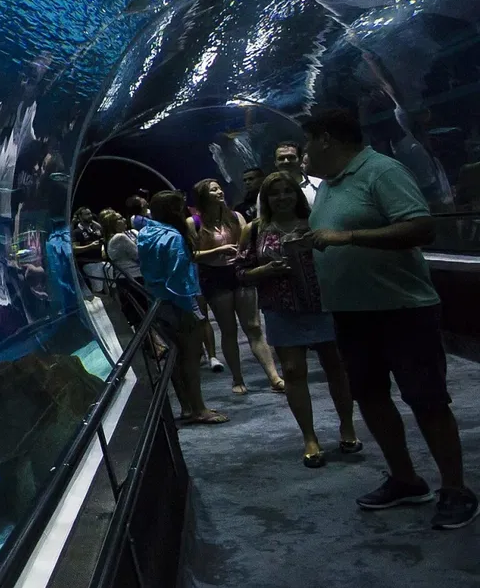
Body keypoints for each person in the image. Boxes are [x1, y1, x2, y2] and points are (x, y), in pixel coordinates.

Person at [301, 107, 476, 529]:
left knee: (427, 399)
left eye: (307, 141)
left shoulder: (381, 171)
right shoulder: (327, 186)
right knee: (371, 396)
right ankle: (405, 479)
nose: (304, 151)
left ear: (326, 138)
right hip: (352, 313)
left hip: (401, 309)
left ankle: (456, 489)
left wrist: (347, 237)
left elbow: (420, 227)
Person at [240, 172, 361, 468]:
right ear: (265, 199)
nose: (282, 198)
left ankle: (347, 427)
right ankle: (309, 438)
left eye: (287, 191)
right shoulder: (256, 229)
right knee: (293, 372)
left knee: (337, 368)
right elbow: (240, 271)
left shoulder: (317, 223)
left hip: (324, 306)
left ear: (297, 194)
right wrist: (266, 271)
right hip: (281, 310)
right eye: (274, 193)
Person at [189, 178, 285, 395]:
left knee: (253, 326)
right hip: (214, 277)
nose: (219, 192)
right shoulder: (194, 222)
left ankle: (274, 376)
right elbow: (191, 255)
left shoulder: (236, 217)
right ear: (204, 196)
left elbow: (249, 243)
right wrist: (216, 252)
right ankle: (237, 377)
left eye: (219, 188)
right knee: (229, 330)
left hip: (239, 273)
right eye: (213, 190)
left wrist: (244, 255)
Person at [138, 191, 227, 425]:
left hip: (158, 303)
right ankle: (199, 408)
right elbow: (179, 278)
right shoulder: (174, 237)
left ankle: (187, 407)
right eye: (181, 207)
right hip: (180, 303)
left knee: (175, 360)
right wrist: (191, 310)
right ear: (173, 211)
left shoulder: (145, 233)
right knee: (191, 358)